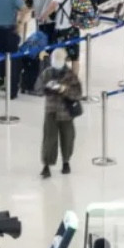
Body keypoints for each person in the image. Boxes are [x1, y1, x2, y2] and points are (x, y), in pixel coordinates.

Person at [37, 47, 83, 177]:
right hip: (51, 111)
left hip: (65, 112)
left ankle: (66, 162)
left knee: (67, 138)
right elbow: (38, 88)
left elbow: (78, 93)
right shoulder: (47, 73)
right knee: (49, 139)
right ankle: (46, 165)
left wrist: (65, 90)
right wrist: (47, 88)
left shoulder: (70, 75)